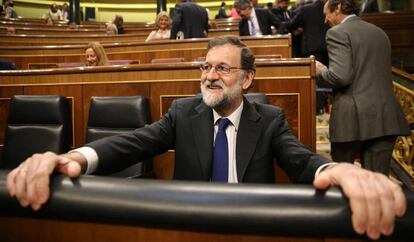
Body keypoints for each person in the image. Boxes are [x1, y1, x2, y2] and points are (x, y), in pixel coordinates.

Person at [6, 36, 406, 240]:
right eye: (205, 67)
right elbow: (133, 143)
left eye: (223, 69)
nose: (209, 76)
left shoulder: (268, 119)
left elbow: (301, 161)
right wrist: (75, 158)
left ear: (247, 79)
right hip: (191, 232)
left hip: (253, 234)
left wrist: (336, 170)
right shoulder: (183, 112)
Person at [315, 0, 410, 175]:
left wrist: (321, 71)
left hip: (351, 119)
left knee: (346, 181)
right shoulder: (379, 32)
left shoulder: (337, 33)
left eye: (326, 13)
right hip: (384, 117)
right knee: (378, 180)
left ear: (338, 8)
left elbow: (339, 77)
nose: (325, 20)